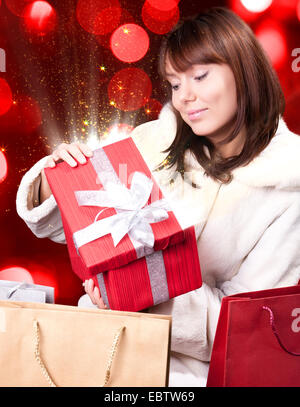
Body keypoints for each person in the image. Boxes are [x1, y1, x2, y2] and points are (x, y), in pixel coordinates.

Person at [16, 7, 300, 387]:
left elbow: (248, 327)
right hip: (99, 345)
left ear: (244, 71)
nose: (186, 97)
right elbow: (87, 229)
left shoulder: (287, 184)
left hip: (184, 377)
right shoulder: (157, 141)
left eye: (199, 76)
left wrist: (138, 291)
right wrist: (56, 181)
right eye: (175, 84)